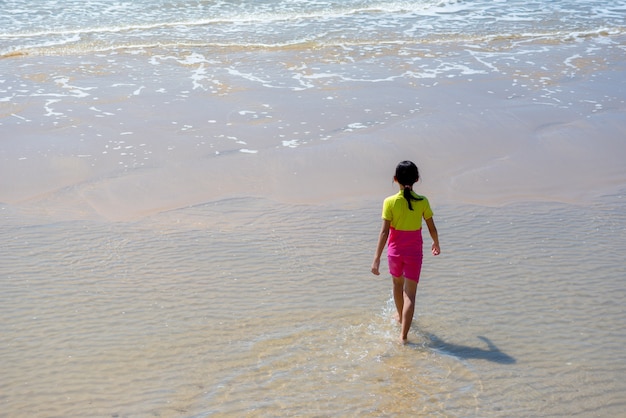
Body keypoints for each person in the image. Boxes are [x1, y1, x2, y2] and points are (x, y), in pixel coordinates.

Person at [371, 160, 440, 343]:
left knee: (397, 285)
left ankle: (401, 317)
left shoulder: (389, 202)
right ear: (417, 179)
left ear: (395, 179)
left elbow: (384, 232)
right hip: (414, 254)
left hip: (394, 252)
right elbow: (431, 227)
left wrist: (376, 258)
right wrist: (436, 243)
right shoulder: (423, 201)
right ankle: (403, 336)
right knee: (410, 294)